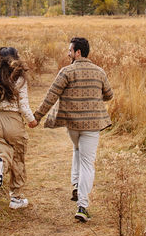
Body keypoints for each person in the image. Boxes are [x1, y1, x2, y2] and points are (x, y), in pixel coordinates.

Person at [33, 37, 112, 222]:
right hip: (92, 125)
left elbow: (51, 96)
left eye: (70, 50)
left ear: (78, 52)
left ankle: (76, 184)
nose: (68, 53)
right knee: (87, 162)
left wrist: (37, 116)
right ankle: (82, 206)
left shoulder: (66, 71)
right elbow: (109, 95)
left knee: (77, 150)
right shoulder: (99, 72)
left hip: (73, 126)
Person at [0, 46, 37, 209]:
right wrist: (31, 120)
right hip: (13, 121)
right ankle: (16, 198)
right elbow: (23, 104)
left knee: (2, 153)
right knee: (18, 158)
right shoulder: (20, 79)